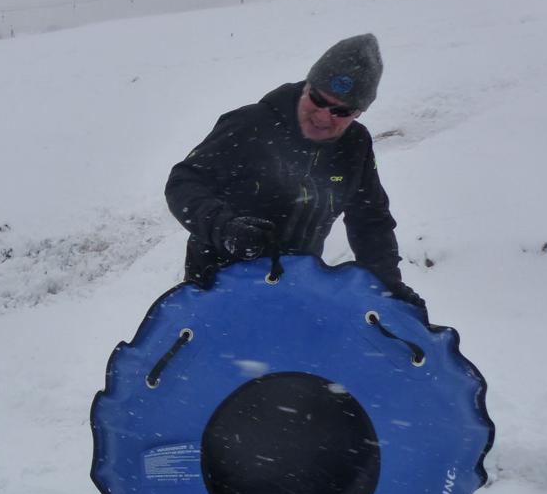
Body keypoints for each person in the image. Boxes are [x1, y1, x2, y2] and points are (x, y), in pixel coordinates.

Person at [164, 33, 423, 306]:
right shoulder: (249, 125)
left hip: (295, 293)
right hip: (217, 290)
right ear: (306, 86)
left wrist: (385, 287)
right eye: (318, 99)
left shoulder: (355, 145)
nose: (324, 116)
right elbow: (183, 182)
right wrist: (224, 228)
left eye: (341, 111)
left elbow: (370, 221)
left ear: (359, 112)